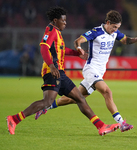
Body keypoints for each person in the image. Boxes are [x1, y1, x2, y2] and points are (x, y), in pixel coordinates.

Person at [6, 6, 121, 136]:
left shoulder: (57, 32)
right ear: (55, 20)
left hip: (60, 73)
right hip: (52, 72)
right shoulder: (51, 31)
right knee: (47, 102)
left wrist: (77, 54)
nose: (65, 23)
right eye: (63, 21)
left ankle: (101, 126)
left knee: (80, 98)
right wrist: (51, 66)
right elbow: (44, 48)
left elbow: (61, 50)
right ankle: (14, 119)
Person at [35, 10, 137, 132]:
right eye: (114, 27)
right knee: (107, 92)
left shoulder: (115, 33)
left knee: (74, 98)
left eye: (117, 27)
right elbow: (78, 40)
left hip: (100, 71)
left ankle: (46, 107)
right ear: (108, 22)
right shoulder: (96, 32)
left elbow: (126, 40)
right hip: (91, 69)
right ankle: (122, 123)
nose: (115, 30)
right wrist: (79, 49)